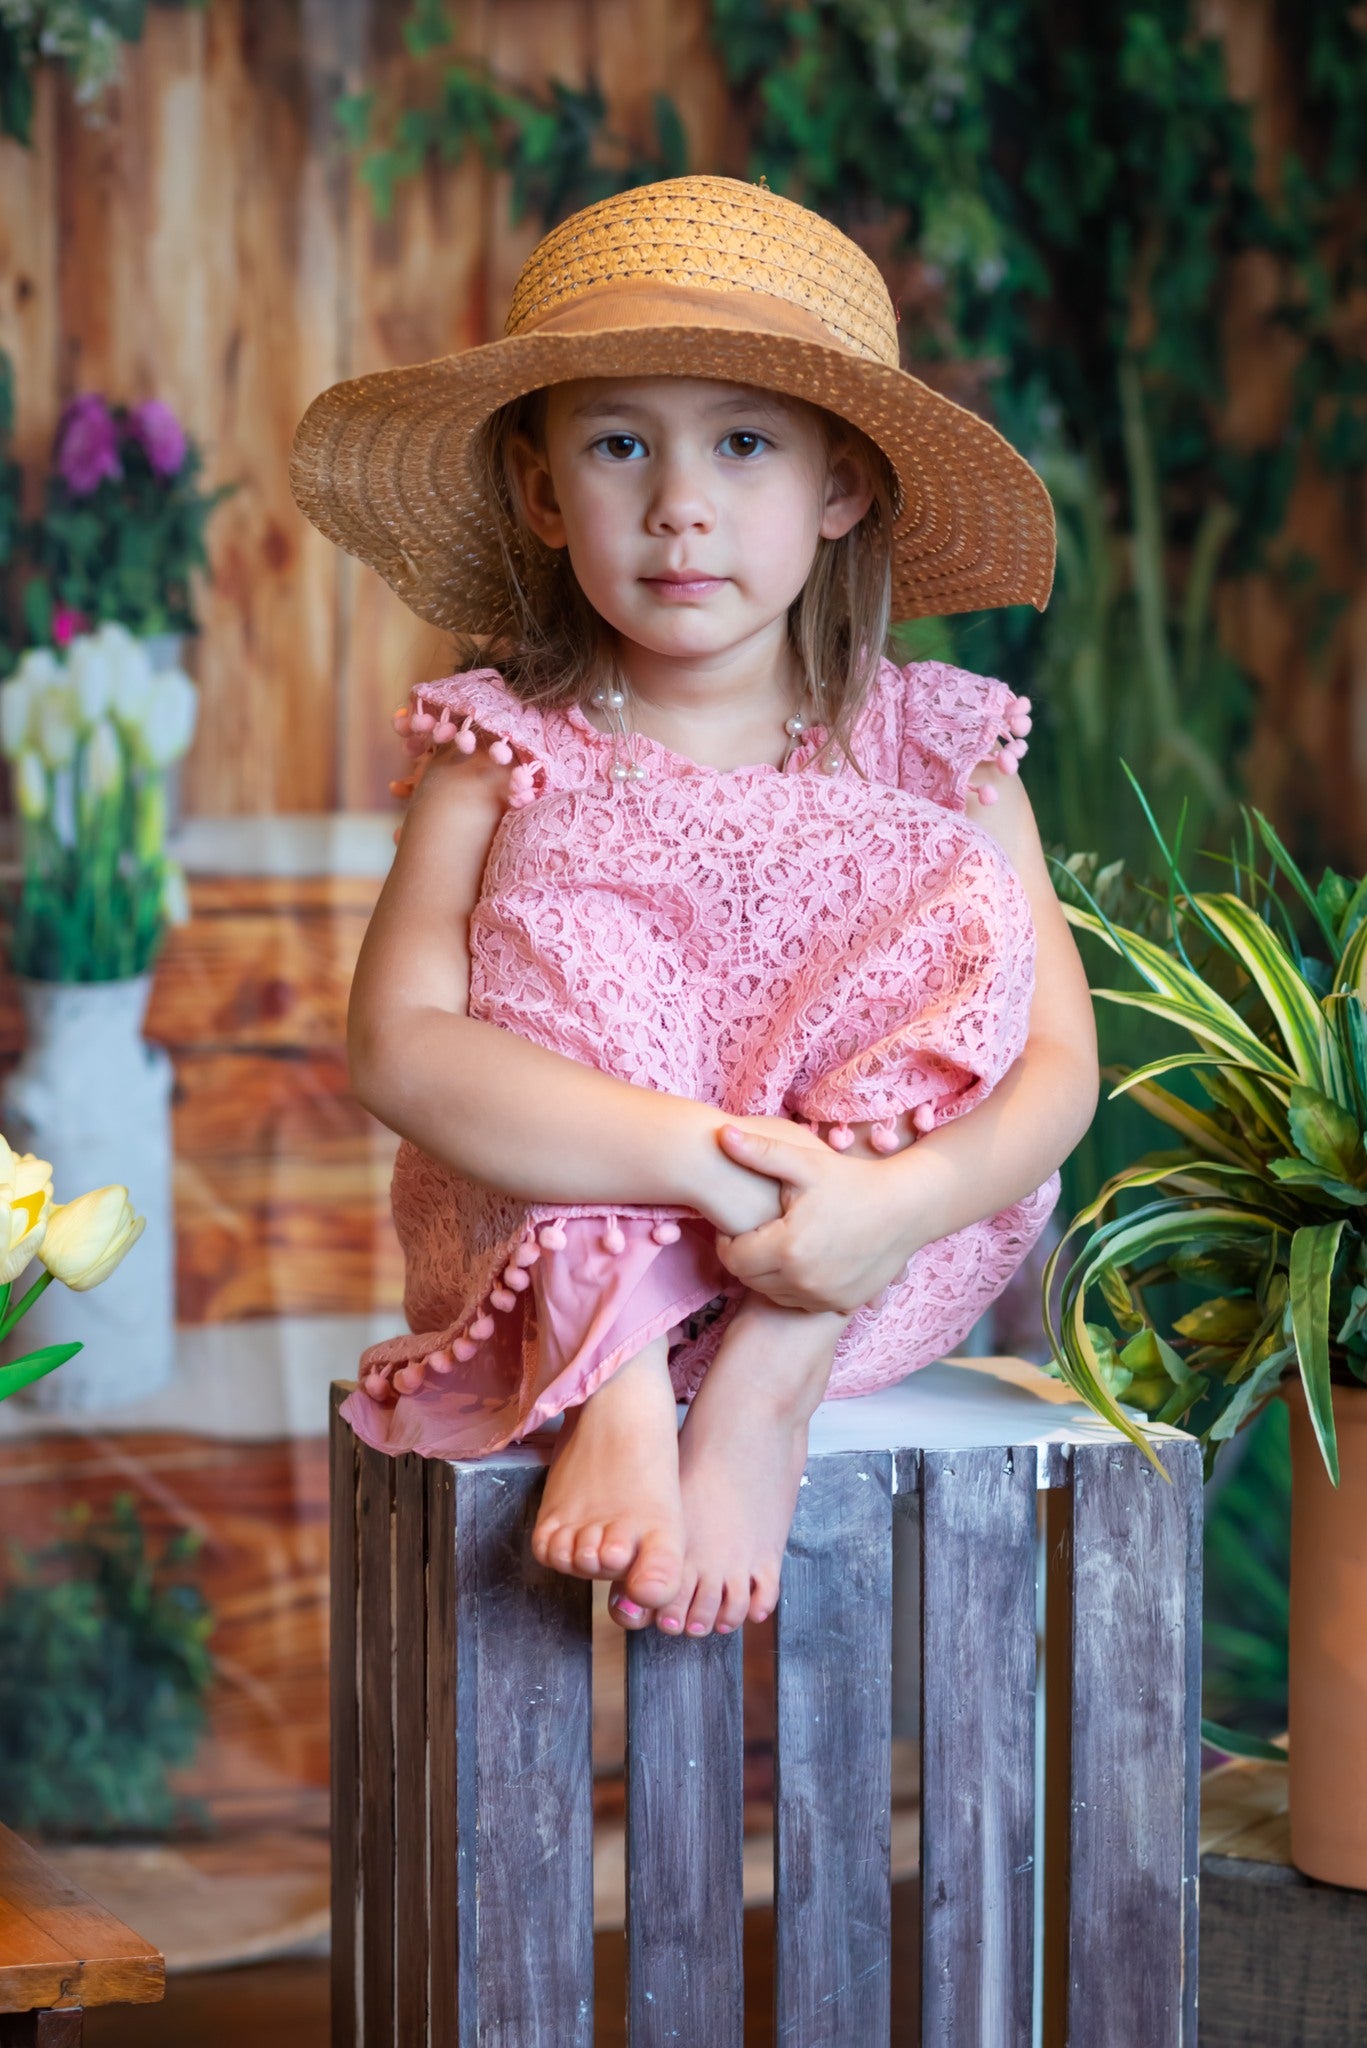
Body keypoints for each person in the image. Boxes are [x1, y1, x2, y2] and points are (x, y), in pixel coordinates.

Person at [290, 175, 1098, 1642]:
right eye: (617, 446)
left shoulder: (941, 749)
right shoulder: (509, 748)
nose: (680, 506)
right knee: (569, 904)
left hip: (849, 1261)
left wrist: (880, 1208)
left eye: (743, 444)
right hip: (558, 1232)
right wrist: (707, 1174)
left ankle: (765, 1383)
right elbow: (400, 1048)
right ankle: (612, 1370)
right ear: (542, 492)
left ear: (840, 485)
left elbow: (1055, 1066)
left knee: (937, 890)